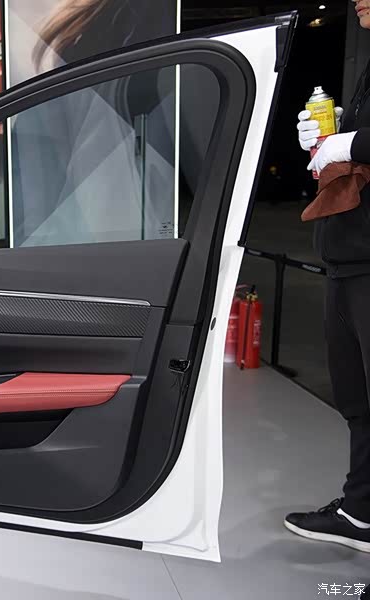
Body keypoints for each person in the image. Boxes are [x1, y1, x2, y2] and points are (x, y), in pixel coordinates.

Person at [288, 0, 370, 553]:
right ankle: (362, 512)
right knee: (357, 398)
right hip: (350, 255)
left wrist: (353, 143)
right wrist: (334, 135)